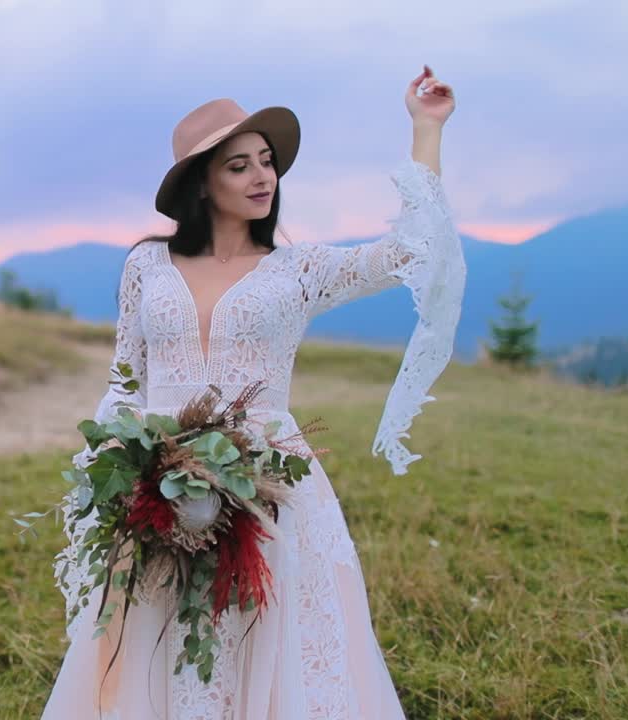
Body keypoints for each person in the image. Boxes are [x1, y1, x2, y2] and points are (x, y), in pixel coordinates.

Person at [41, 66, 466, 719]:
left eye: (266, 162)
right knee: (159, 638)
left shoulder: (298, 271)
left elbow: (411, 250)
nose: (262, 176)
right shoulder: (146, 266)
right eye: (239, 166)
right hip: (157, 482)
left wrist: (426, 128)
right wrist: (113, 477)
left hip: (269, 485)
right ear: (202, 183)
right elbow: (126, 378)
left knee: (266, 637)